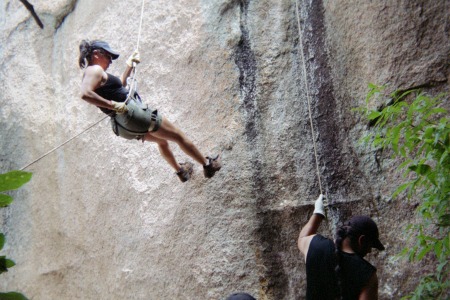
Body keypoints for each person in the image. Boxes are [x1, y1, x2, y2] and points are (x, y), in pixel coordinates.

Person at [78, 40, 221, 182]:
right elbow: (85, 94)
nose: (110, 61)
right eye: (108, 56)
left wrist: (129, 66)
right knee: (178, 136)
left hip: (123, 125)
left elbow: (118, 88)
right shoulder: (94, 70)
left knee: (162, 142)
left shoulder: (97, 74)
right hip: (133, 115)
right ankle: (208, 165)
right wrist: (112, 105)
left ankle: (181, 171)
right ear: (97, 53)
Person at [298, 195, 385, 300]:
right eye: (370, 246)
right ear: (361, 240)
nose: (369, 251)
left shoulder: (316, 246)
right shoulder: (368, 275)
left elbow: (302, 238)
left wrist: (318, 213)